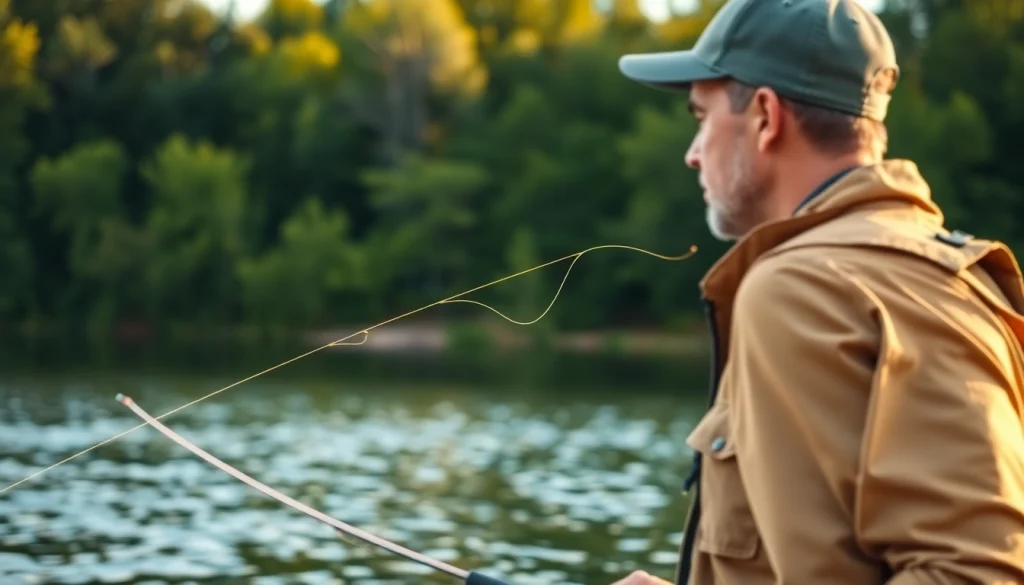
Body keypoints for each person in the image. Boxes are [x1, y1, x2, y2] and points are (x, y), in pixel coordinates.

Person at [610, 0, 1024, 584]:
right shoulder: (949, 275)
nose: (693, 151)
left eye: (701, 117)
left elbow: (979, 574)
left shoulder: (799, 288)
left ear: (764, 116)